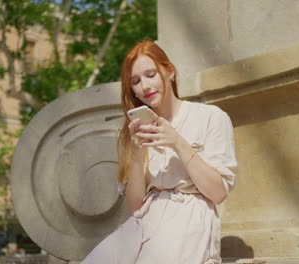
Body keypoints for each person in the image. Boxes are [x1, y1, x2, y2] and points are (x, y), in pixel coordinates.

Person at [81, 40, 238, 264]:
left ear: (170, 72)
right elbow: (135, 207)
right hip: (144, 222)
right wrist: (135, 153)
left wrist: (177, 142)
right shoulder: (135, 130)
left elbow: (218, 193)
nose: (145, 86)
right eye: (135, 81)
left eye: (151, 74)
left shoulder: (211, 117)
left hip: (188, 219)